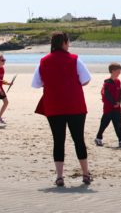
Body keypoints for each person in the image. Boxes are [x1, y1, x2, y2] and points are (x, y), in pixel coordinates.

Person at [32, 32, 92, 186]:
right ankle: (85, 174)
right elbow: (86, 80)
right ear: (64, 43)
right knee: (78, 139)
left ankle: (59, 176)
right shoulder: (75, 59)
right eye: (68, 42)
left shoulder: (43, 61)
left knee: (58, 141)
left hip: (54, 105)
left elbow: (36, 84)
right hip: (75, 105)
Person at [95, 63, 121, 148]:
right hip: (108, 107)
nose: (119, 73)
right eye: (118, 71)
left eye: (120, 71)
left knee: (118, 124)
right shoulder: (107, 83)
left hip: (117, 107)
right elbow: (106, 95)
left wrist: (119, 102)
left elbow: (120, 93)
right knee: (104, 123)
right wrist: (113, 103)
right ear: (112, 71)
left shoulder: (118, 81)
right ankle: (98, 138)